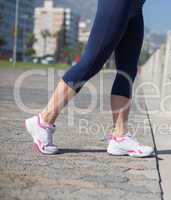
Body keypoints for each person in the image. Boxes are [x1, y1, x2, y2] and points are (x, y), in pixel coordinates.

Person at [25, 0, 153, 157]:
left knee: (127, 71)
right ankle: (44, 120)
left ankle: (120, 137)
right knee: (91, 62)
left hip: (136, 6)